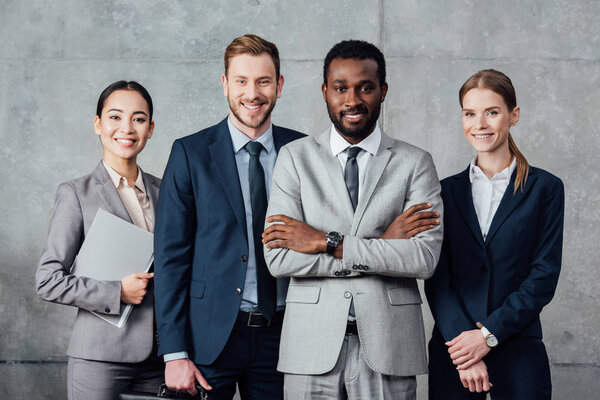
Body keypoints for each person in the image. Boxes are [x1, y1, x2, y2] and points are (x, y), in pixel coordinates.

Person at [262, 40, 443, 400]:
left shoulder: (415, 162)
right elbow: (279, 258)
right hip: (310, 346)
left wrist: (328, 243)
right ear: (325, 92)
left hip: (389, 345)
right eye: (341, 88)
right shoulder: (294, 159)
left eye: (366, 87)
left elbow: (423, 259)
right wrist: (382, 247)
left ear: (383, 91)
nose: (352, 100)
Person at [153, 34, 304, 399]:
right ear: (225, 85)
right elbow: (170, 257)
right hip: (210, 337)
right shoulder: (190, 153)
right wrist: (174, 352)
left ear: (279, 85)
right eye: (241, 81)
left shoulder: (303, 151)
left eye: (263, 81)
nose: (252, 93)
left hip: (285, 334)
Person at [425, 69, 564, 399]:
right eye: (470, 113)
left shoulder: (545, 188)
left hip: (518, 347)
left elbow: (543, 276)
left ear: (513, 115)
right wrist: (465, 347)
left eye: (492, 112)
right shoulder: (443, 191)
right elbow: (437, 275)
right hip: (454, 350)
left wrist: (487, 335)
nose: (480, 124)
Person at [35, 81, 162, 400]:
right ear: (98, 124)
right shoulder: (77, 194)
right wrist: (116, 291)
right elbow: (48, 280)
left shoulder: (168, 192)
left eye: (139, 118)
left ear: (150, 129)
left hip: (162, 360)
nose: (127, 128)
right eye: (115, 117)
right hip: (99, 359)